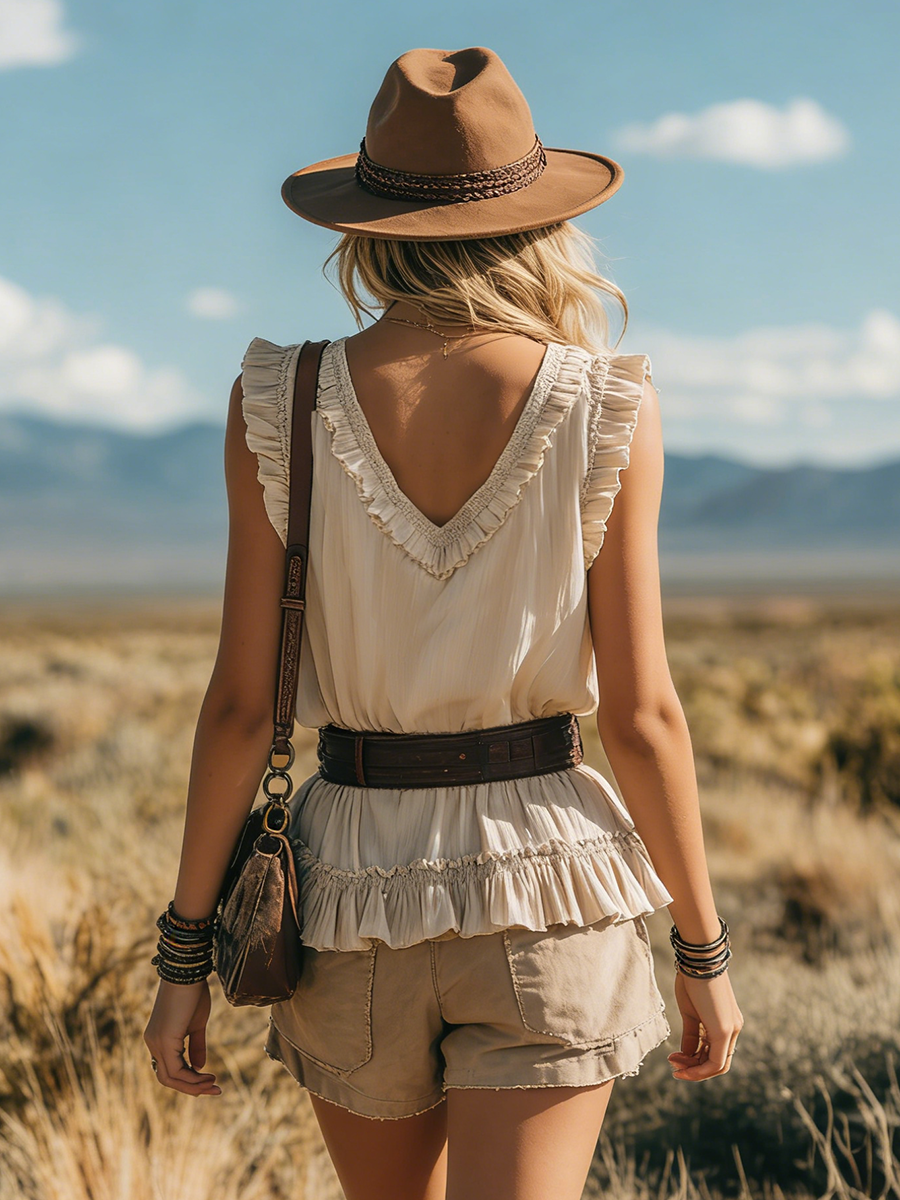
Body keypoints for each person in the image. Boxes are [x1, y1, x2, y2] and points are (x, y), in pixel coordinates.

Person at [144, 45, 743, 1200]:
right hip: (546, 879)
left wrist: (183, 959)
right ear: (536, 221)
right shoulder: (604, 400)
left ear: (365, 226)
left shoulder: (279, 398)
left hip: (349, 882)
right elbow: (646, 713)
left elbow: (234, 708)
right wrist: (702, 953)